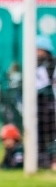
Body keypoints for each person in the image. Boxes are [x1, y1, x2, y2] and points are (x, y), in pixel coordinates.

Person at [35, 35, 56, 170]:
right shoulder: (33, 64)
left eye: (39, 49)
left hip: (50, 104)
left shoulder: (51, 65)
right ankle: (41, 159)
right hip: (38, 105)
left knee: (52, 133)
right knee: (39, 132)